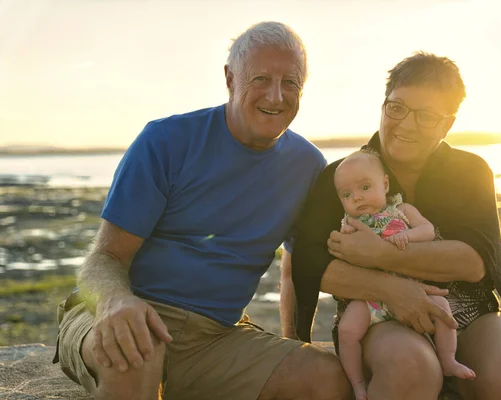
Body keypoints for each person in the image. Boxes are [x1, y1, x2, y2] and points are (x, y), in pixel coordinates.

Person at [53, 21, 352, 400]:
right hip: (121, 312)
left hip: (214, 338)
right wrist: (116, 301)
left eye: (290, 83)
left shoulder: (307, 164)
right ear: (230, 78)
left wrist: (293, 344)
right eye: (260, 79)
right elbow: (105, 257)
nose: (276, 97)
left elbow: (295, 264)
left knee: (326, 378)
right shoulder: (165, 141)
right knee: (139, 352)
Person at [290, 52, 501, 399]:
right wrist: (390, 290)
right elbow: (311, 264)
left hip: (470, 315)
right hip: (379, 320)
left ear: (447, 125)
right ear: (383, 104)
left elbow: (475, 261)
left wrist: (379, 254)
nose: (405, 124)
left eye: (427, 116)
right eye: (397, 108)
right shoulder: (344, 177)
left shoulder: (471, 171)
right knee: (411, 369)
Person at [333, 149, 475, 400]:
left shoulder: (402, 210)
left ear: (385, 184)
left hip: (412, 287)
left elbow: (428, 230)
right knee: (347, 331)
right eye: (347, 194)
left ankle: (447, 359)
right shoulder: (350, 223)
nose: (357, 197)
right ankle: (357, 383)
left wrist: (406, 236)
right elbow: (344, 255)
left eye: (365, 187)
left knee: (442, 307)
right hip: (371, 297)